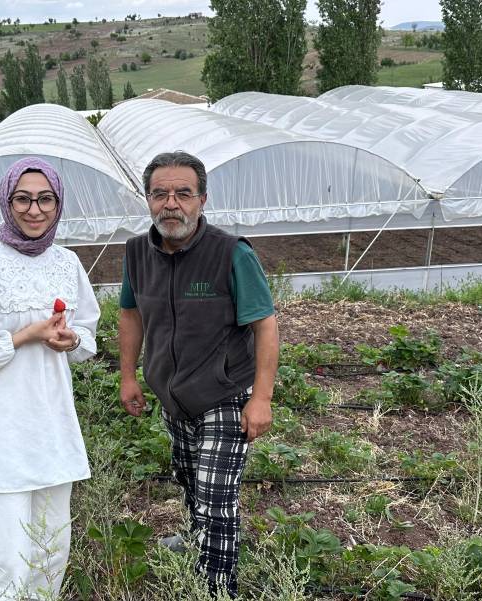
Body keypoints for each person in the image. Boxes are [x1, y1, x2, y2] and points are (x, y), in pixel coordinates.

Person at [118, 151, 278, 597]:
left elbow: (265, 325)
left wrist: (260, 398)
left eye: (183, 193)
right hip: (172, 396)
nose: (172, 204)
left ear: (202, 199)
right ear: (148, 200)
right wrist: (128, 376)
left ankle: (216, 586)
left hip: (222, 394)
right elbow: (130, 314)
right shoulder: (136, 252)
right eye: (160, 194)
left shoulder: (230, 254)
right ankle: (194, 538)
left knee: (216, 498)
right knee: (190, 478)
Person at [0, 157, 100, 601]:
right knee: (7, 563)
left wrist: (70, 341)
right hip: (6, 434)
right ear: (7, 202)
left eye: (45, 199)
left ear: (58, 203)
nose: (35, 210)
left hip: (52, 429)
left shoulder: (68, 264)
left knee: (50, 555)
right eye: (23, 199)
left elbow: (88, 334)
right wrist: (23, 336)